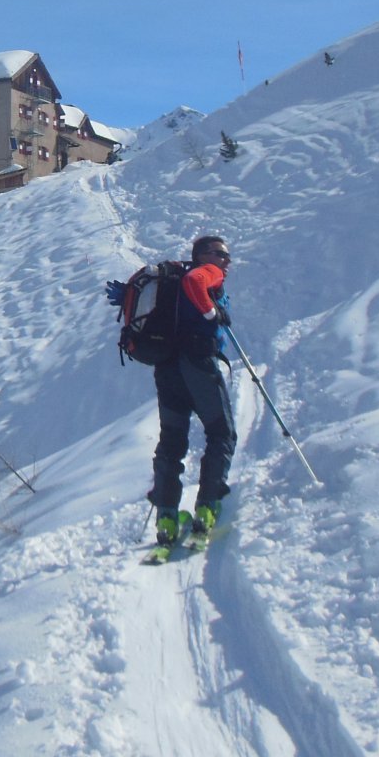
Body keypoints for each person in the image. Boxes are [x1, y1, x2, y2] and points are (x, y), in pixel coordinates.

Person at [149, 234, 236, 546]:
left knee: (172, 440)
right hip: (197, 364)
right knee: (221, 432)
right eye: (221, 253)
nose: (226, 260)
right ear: (203, 255)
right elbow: (195, 283)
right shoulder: (206, 272)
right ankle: (208, 508)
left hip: (168, 368)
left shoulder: (173, 285)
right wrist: (212, 313)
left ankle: (167, 517)